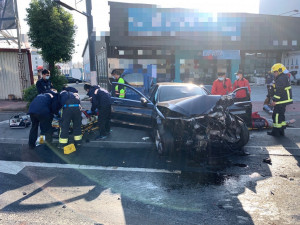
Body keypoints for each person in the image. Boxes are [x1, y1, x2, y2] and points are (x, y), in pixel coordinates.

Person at [267, 63, 293, 137]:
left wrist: (274, 100)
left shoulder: (281, 78)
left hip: (281, 100)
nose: (274, 74)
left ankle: (276, 132)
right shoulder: (282, 77)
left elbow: (279, 90)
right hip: (283, 99)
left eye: (275, 72)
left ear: (279, 71)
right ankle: (281, 131)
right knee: (281, 115)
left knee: (276, 115)